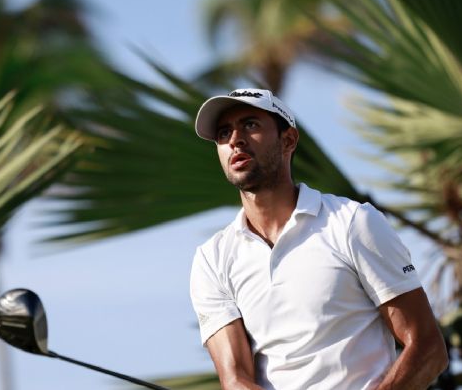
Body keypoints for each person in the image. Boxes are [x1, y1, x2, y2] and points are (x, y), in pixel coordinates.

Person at [189, 88, 448, 390]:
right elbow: (235, 379)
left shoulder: (353, 222)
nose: (235, 140)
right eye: (223, 133)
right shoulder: (212, 258)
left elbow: (428, 348)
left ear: (288, 141)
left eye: (250, 124)